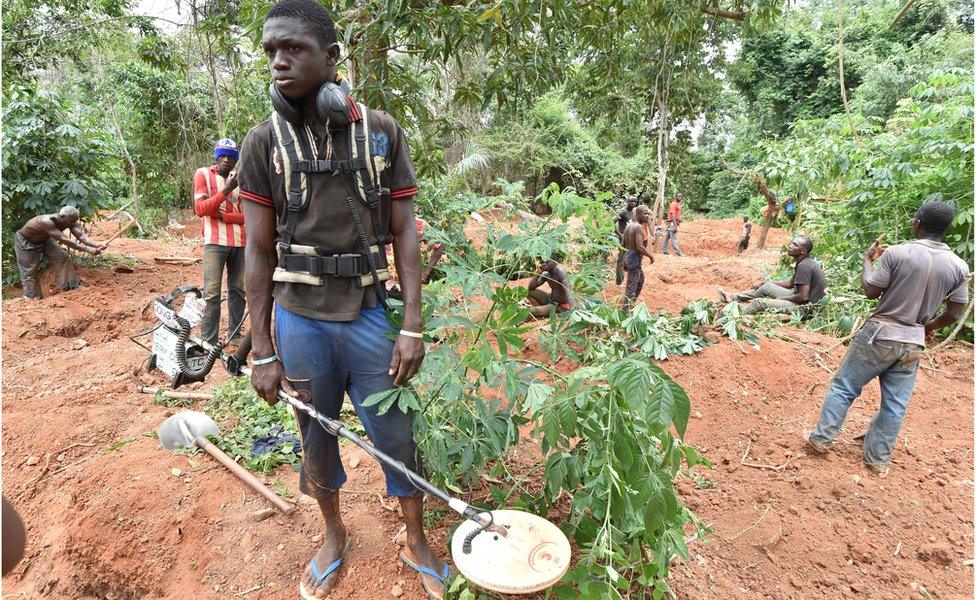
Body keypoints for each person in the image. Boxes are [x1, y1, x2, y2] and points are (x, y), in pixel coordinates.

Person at [237, 1, 444, 597]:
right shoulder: (262, 144)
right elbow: (257, 251)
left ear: (331, 58)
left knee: (395, 432)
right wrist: (263, 350)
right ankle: (332, 533)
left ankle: (416, 537)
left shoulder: (379, 132)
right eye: (271, 49)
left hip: (368, 313)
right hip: (300, 320)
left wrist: (412, 323)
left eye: (294, 48)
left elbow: (405, 230)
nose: (279, 60)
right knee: (315, 434)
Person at [807, 202, 969, 474]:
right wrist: (928, 327)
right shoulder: (958, 266)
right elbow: (954, 313)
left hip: (881, 333)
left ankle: (822, 439)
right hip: (913, 341)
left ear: (917, 224)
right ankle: (877, 460)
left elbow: (870, 290)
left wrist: (867, 260)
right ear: (946, 229)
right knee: (895, 405)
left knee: (844, 386)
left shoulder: (898, 253)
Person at [194, 138, 247, 346]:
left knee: (238, 291)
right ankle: (208, 341)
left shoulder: (244, 177)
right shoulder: (203, 174)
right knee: (212, 293)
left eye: (231, 157)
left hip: (241, 241)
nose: (226, 160)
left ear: (236, 159)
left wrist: (223, 215)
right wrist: (226, 191)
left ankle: (234, 337)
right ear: (216, 157)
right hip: (214, 241)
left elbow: (249, 215)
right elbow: (201, 209)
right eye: (222, 156)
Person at [14, 206, 106, 299]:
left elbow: (81, 237)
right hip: (26, 242)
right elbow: (64, 240)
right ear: (62, 217)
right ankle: (32, 297)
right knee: (29, 270)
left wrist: (97, 244)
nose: (74, 223)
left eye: (75, 221)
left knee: (62, 257)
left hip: (45, 240)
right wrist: (89, 250)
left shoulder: (71, 221)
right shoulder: (46, 221)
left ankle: (71, 286)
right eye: (71, 221)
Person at [717, 237, 825, 316]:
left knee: (758, 303)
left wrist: (783, 298)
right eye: (792, 243)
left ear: (803, 251)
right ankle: (733, 297)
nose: (790, 246)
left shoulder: (804, 266)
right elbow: (790, 283)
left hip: (806, 307)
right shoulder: (804, 262)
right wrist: (766, 282)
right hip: (799, 299)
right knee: (767, 286)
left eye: (795, 245)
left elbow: (803, 297)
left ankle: (731, 317)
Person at [622, 205, 655, 309]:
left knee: (640, 282)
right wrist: (651, 256)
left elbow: (623, 244)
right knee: (631, 286)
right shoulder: (638, 227)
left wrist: (624, 258)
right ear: (638, 214)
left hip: (629, 255)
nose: (647, 216)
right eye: (645, 214)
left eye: (647, 213)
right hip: (634, 257)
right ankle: (625, 309)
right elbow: (640, 247)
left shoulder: (629, 225)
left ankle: (630, 305)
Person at [614, 195, 639, 285]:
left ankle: (625, 279)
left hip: (631, 239)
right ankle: (619, 281)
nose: (633, 203)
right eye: (631, 201)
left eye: (635, 202)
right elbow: (611, 222)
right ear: (627, 202)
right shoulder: (622, 212)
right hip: (623, 240)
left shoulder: (635, 211)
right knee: (621, 259)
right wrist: (619, 234)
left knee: (628, 259)